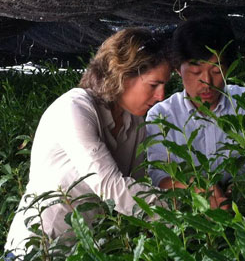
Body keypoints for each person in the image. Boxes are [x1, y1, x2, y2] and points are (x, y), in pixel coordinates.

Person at [5, 28, 171, 256]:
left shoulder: (135, 122)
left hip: (84, 251)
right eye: (154, 85)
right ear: (122, 75)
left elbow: (136, 188)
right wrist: (183, 209)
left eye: (165, 86)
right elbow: (110, 187)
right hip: (36, 250)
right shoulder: (75, 107)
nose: (162, 96)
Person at [146, 16, 245, 209]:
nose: (207, 82)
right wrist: (195, 189)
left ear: (229, 68)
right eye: (196, 73)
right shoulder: (162, 116)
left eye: (216, 71)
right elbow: (158, 176)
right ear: (178, 70)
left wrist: (240, 189)